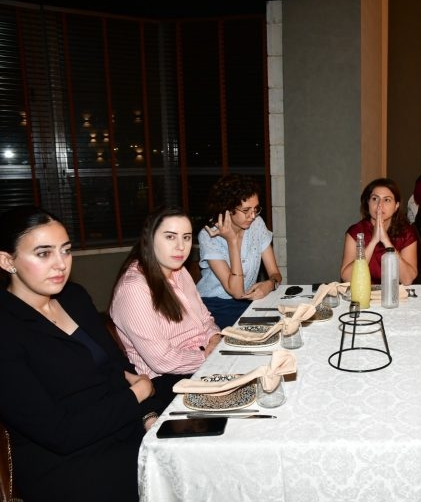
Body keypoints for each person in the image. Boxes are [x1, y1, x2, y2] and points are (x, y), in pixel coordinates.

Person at [0, 206, 160, 502]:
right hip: (68, 465)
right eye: (44, 253)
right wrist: (136, 396)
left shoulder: (74, 297)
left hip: (121, 429)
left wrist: (147, 415)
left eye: (66, 250)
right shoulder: (6, 328)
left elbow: (118, 368)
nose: (61, 264)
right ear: (7, 261)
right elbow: (59, 432)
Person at [110, 206, 222, 411]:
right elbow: (161, 360)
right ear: (150, 239)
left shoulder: (179, 270)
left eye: (186, 237)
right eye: (170, 237)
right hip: (165, 381)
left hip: (198, 364)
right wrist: (209, 357)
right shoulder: (134, 288)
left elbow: (205, 319)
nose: (181, 246)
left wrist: (215, 338)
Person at [197, 174, 283, 328]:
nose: (253, 216)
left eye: (256, 209)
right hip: (216, 305)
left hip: (247, 302)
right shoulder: (209, 235)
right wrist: (232, 241)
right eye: (246, 210)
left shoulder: (257, 224)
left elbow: (275, 274)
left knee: (284, 322)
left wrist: (269, 284)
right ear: (228, 209)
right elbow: (236, 292)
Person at [341, 178, 419, 284]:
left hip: (393, 292)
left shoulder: (406, 233)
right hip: (363, 291)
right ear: (368, 203)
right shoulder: (356, 232)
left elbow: (407, 280)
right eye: (375, 199)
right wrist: (373, 242)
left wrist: (386, 242)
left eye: (387, 200)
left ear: (396, 206)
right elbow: (347, 278)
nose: (379, 205)